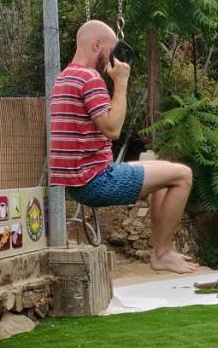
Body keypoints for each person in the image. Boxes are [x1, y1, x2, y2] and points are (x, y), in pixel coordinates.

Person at [50, 20, 199, 274]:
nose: (114, 60)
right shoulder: (89, 78)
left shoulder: (64, 77)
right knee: (183, 176)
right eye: (111, 50)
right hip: (96, 181)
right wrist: (121, 83)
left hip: (79, 183)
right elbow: (113, 129)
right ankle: (162, 253)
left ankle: (162, 250)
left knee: (164, 171)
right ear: (97, 44)